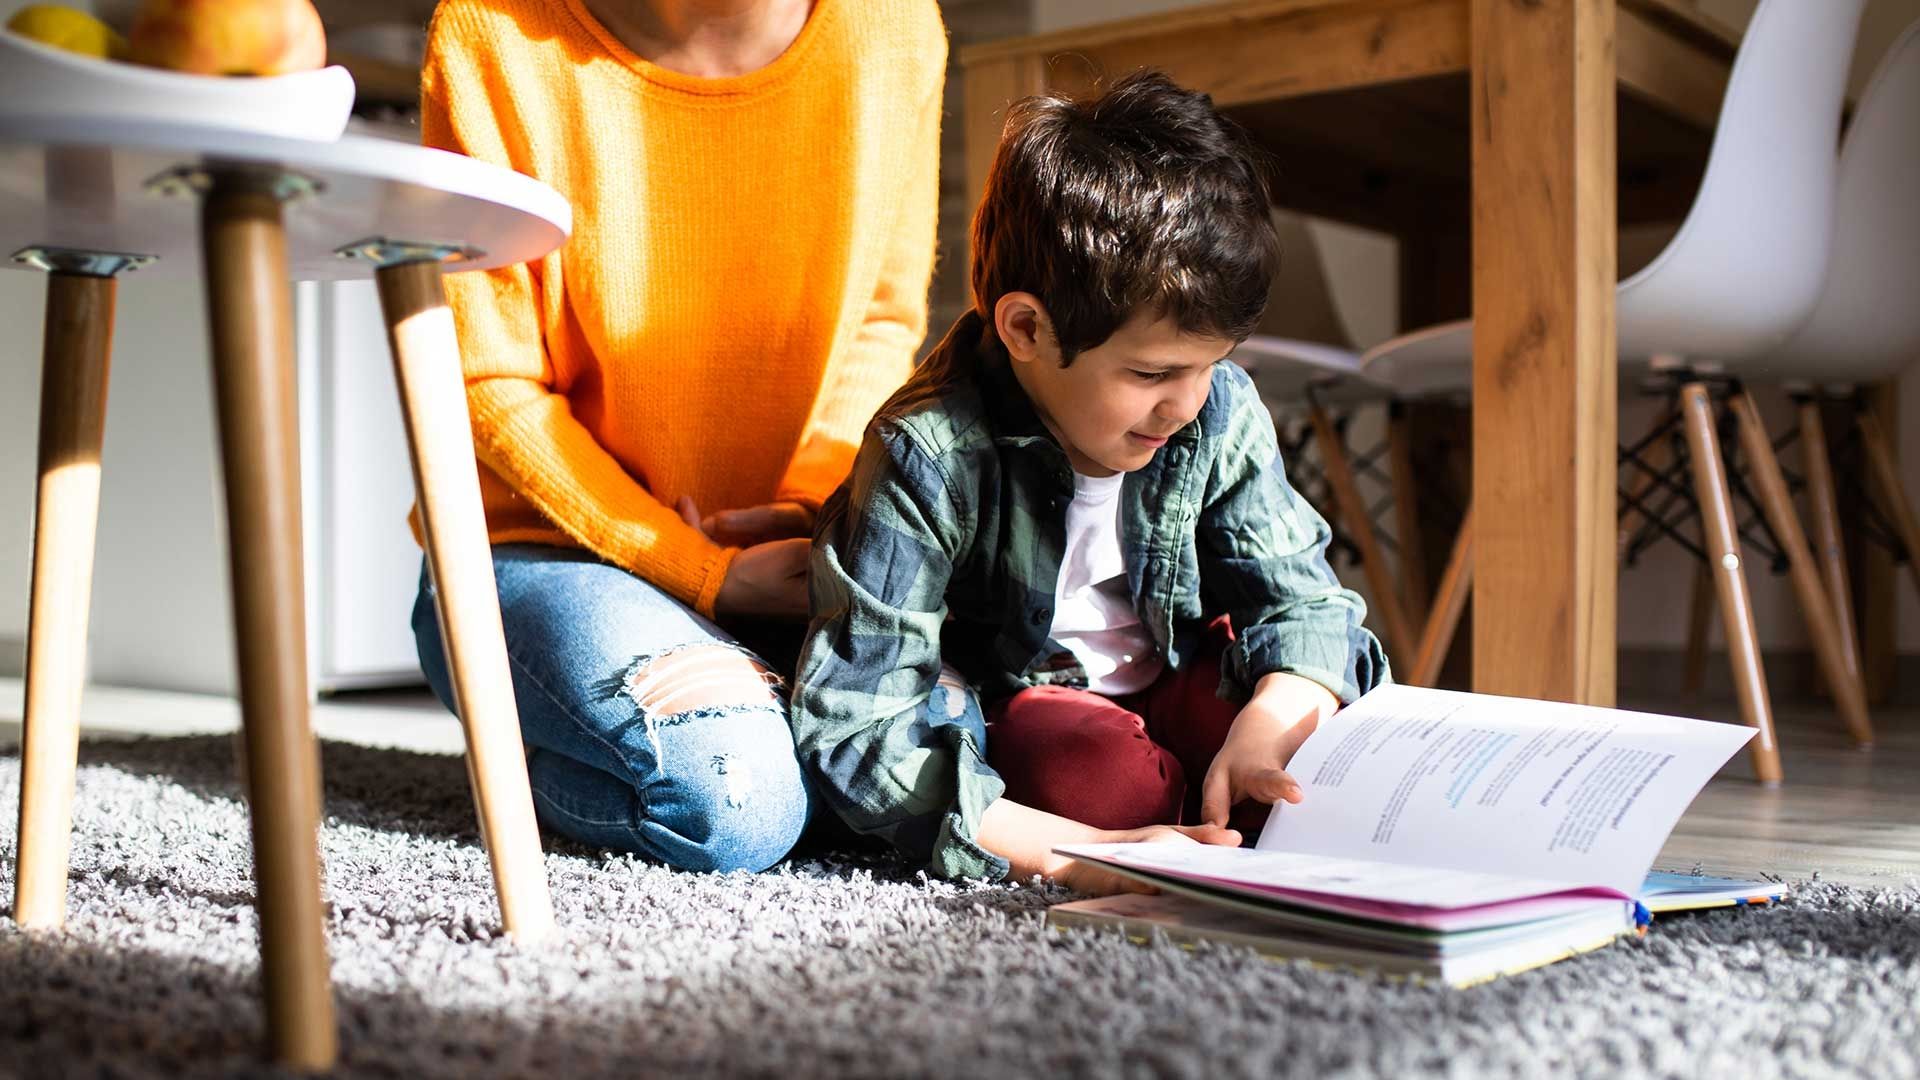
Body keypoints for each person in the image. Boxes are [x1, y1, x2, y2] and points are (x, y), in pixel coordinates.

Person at [788, 70, 1389, 895]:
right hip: (1033, 702)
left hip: (1177, 672)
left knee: (1313, 757)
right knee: (1101, 782)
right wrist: (1082, 856)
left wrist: (1270, 721)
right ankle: (1172, 826)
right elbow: (862, 728)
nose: (1186, 402)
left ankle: (1209, 805)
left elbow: (1302, 603)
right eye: (1151, 372)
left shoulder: (1216, 409)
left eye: (1213, 365)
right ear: (1027, 328)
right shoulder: (927, 450)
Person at [408, 0, 946, 872]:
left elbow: (882, 325)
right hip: (543, 554)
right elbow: (489, 382)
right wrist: (702, 573)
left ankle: (635, 715)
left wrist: (811, 508)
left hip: (789, 564)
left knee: (963, 752)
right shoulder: (492, 33)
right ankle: (533, 730)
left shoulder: (893, 27)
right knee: (737, 805)